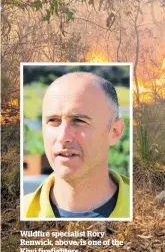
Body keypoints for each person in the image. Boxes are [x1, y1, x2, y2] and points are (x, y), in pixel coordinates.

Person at [23, 71, 130, 219]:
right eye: (53, 120)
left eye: (79, 121)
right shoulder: (14, 216)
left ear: (115, 132)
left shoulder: (150, 212)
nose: (63, 137)